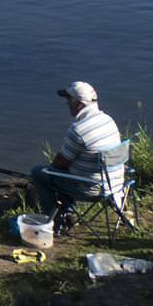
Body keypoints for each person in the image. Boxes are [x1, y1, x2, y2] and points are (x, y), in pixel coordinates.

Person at [30, 80, 125, 231]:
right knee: (70, 172)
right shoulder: (108, 120)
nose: (66, 103)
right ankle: (68, 213)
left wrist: (51, 169)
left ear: (79, 104)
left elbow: (58, 165)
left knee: (39, 173)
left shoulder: (79, 130)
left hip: (92, 189)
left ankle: (53, 222)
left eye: (69, 100)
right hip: (115, 184)